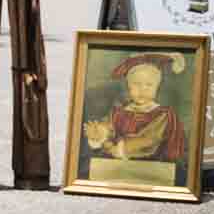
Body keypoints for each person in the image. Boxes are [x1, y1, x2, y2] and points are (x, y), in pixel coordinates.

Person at [81, 53, 189, 184]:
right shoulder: (119, 112)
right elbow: (108, 127)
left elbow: (148, 139)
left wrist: (118, 148)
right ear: (129, 87)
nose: (142, 90)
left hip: (153, 169)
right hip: (118, 168)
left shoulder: (162, 114)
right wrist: (99, 133)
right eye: (136, 84)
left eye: (149, 85)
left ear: (157, 87)